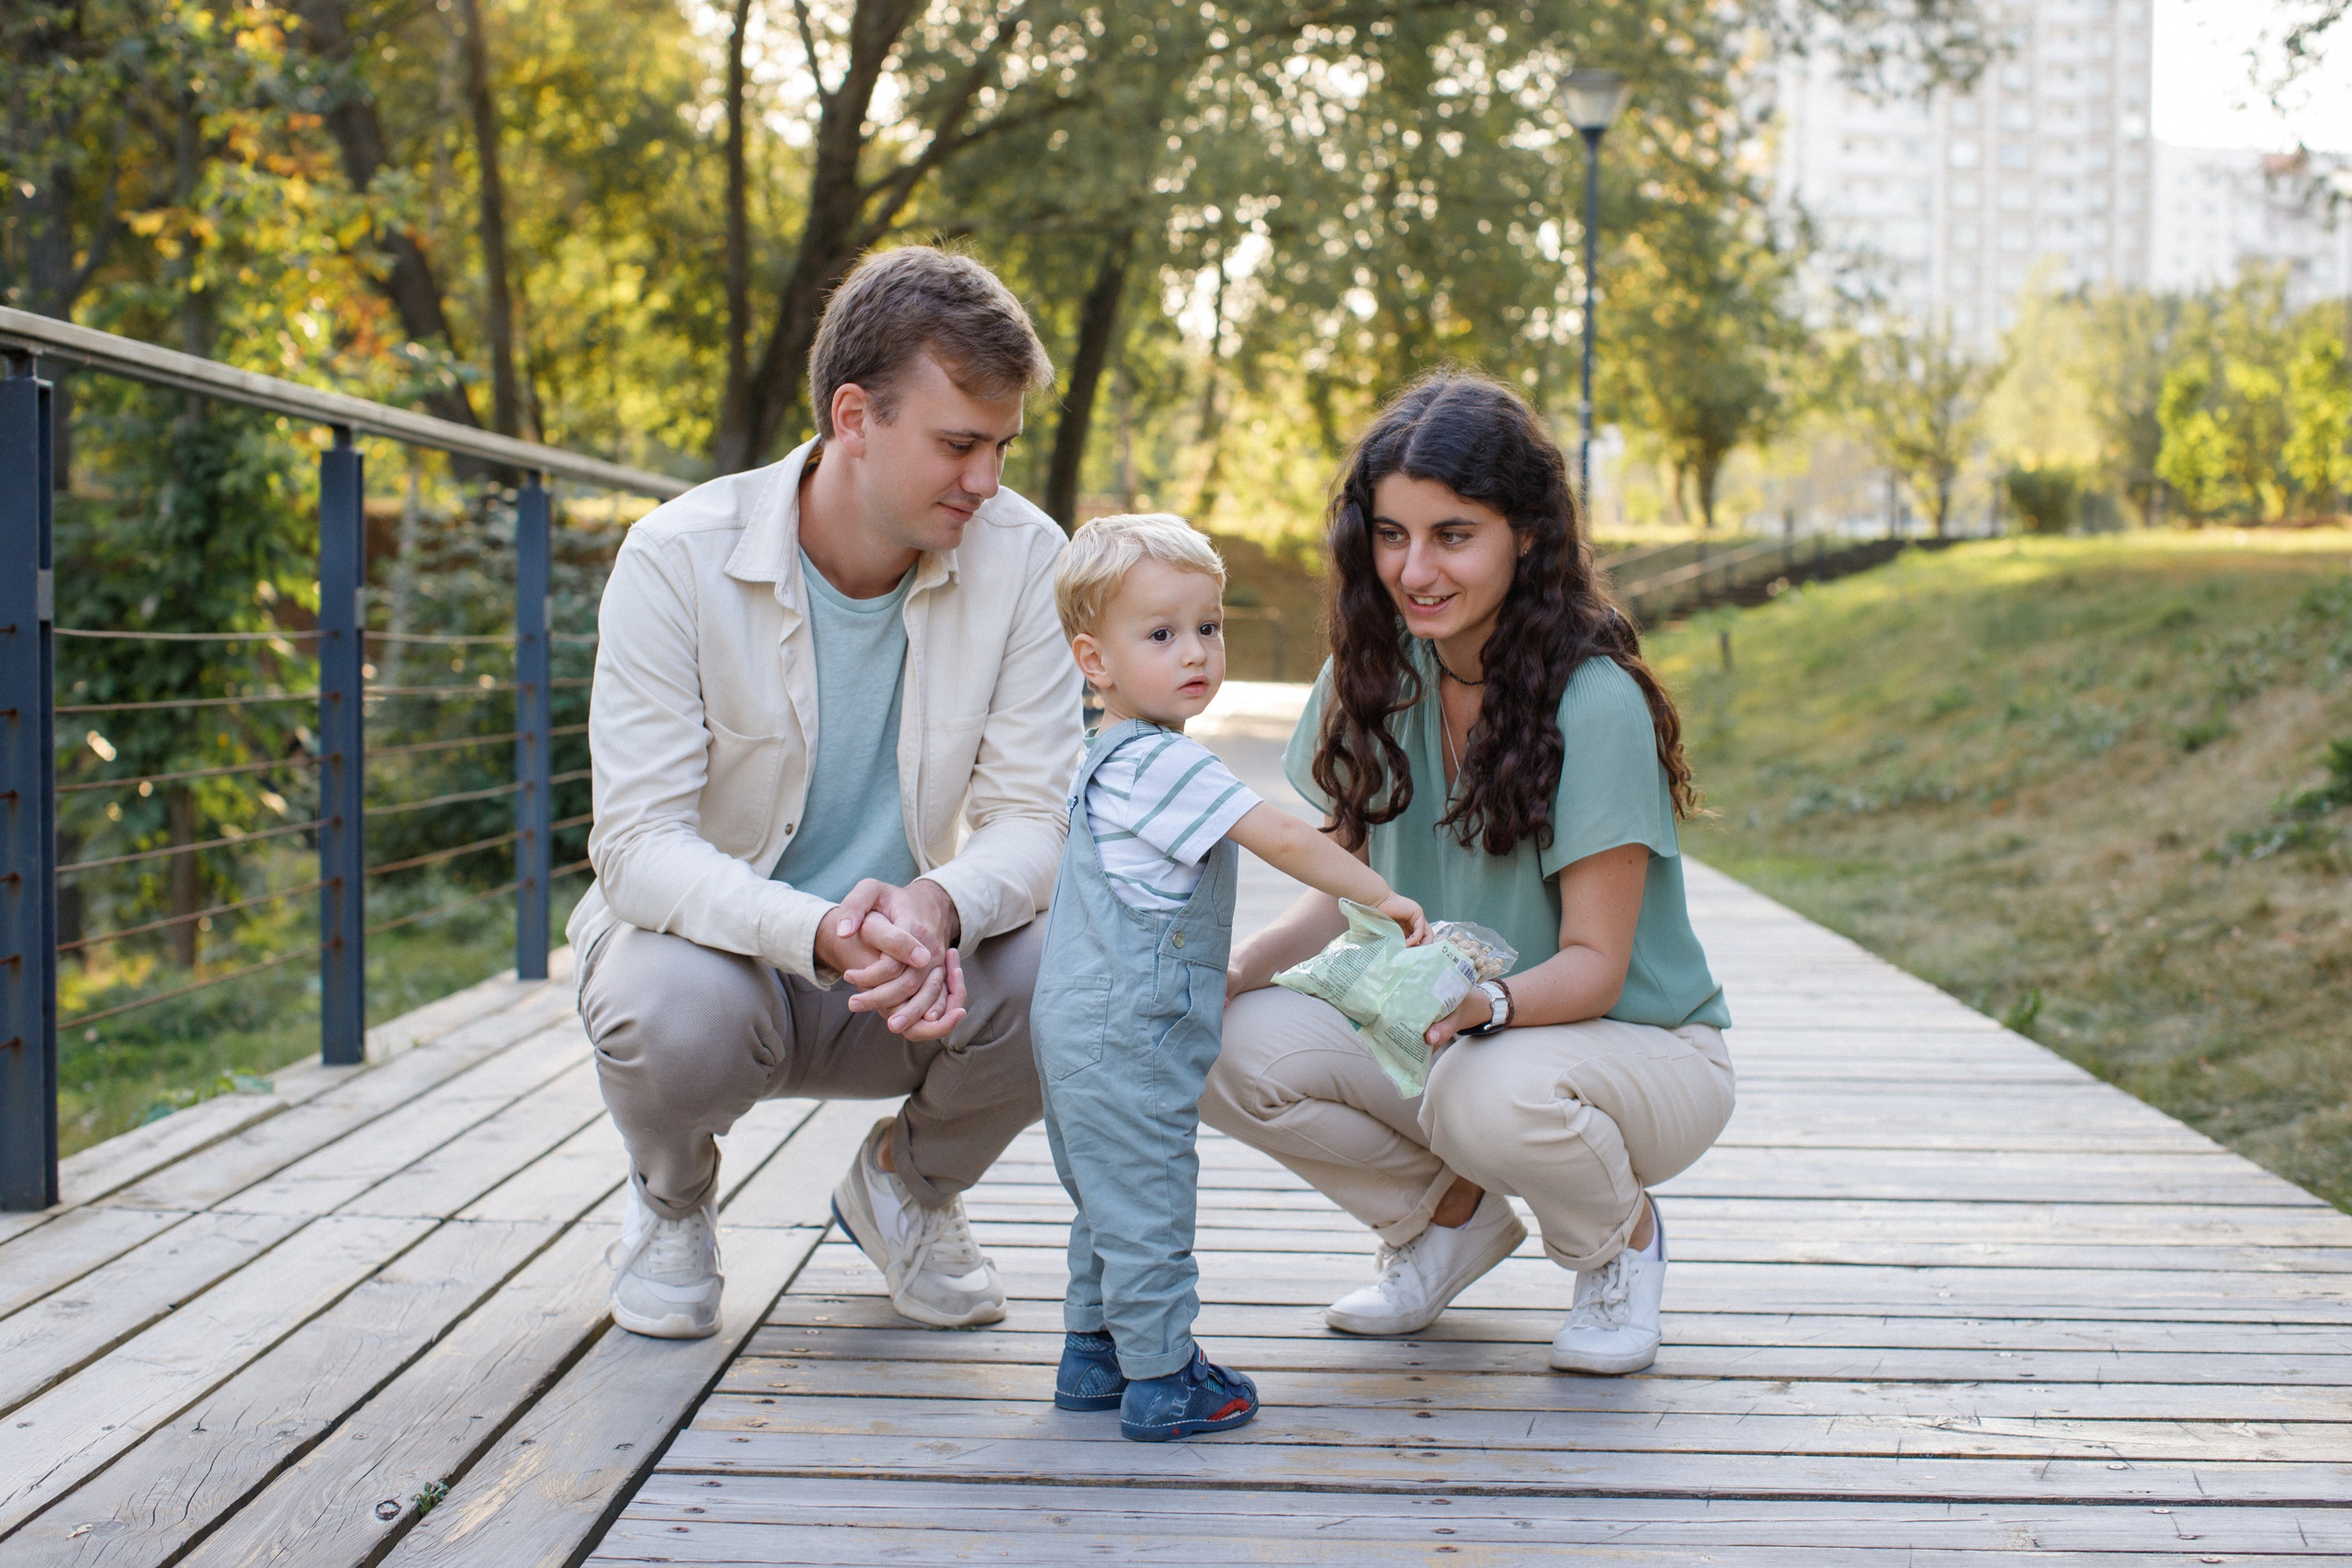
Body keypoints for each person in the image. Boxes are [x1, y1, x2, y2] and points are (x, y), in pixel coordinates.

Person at [571, 246, 1081, 1338]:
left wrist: (936, 905)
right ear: (854, 416)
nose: (985, 481)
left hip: (909, 969)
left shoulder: (1029, 559)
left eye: (1000, 447)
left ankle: (908, 1186)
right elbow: (636, 848)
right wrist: (815, 929)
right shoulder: (675, 559)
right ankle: (670, 1202)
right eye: (957, 444)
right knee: (660, 1006)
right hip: (721, 965)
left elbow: (1036, 819)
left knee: (1080, 963)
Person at [1206, 372, 1735, 1375]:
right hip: (1457, 1033)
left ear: (1526, 535)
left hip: (1637, 1051)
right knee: (1219, 1040)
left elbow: (1595, 967)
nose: (1414, 569)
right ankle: (1444, 1222)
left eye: (1452, 534)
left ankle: (1616, 1245)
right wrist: (1239, 969)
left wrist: (1483, 1008)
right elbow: (1342, 889)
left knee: (1483, 1090)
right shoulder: (1373, 671)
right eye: (1392, 533)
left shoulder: (1594, 701)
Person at [1038, 513, 1429, 1440]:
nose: (1196, 653)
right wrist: (1381, 895)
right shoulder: (1166, 765)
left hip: (1079, 1028)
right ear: (1095, 662)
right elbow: (1286, 835)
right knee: (1150, 1200)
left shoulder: (1103, 762)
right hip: (1128, 1032)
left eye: (1208, 628)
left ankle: (1094, 1353)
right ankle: (1165, 1376)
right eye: (1161, 634)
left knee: (1109, 1195)